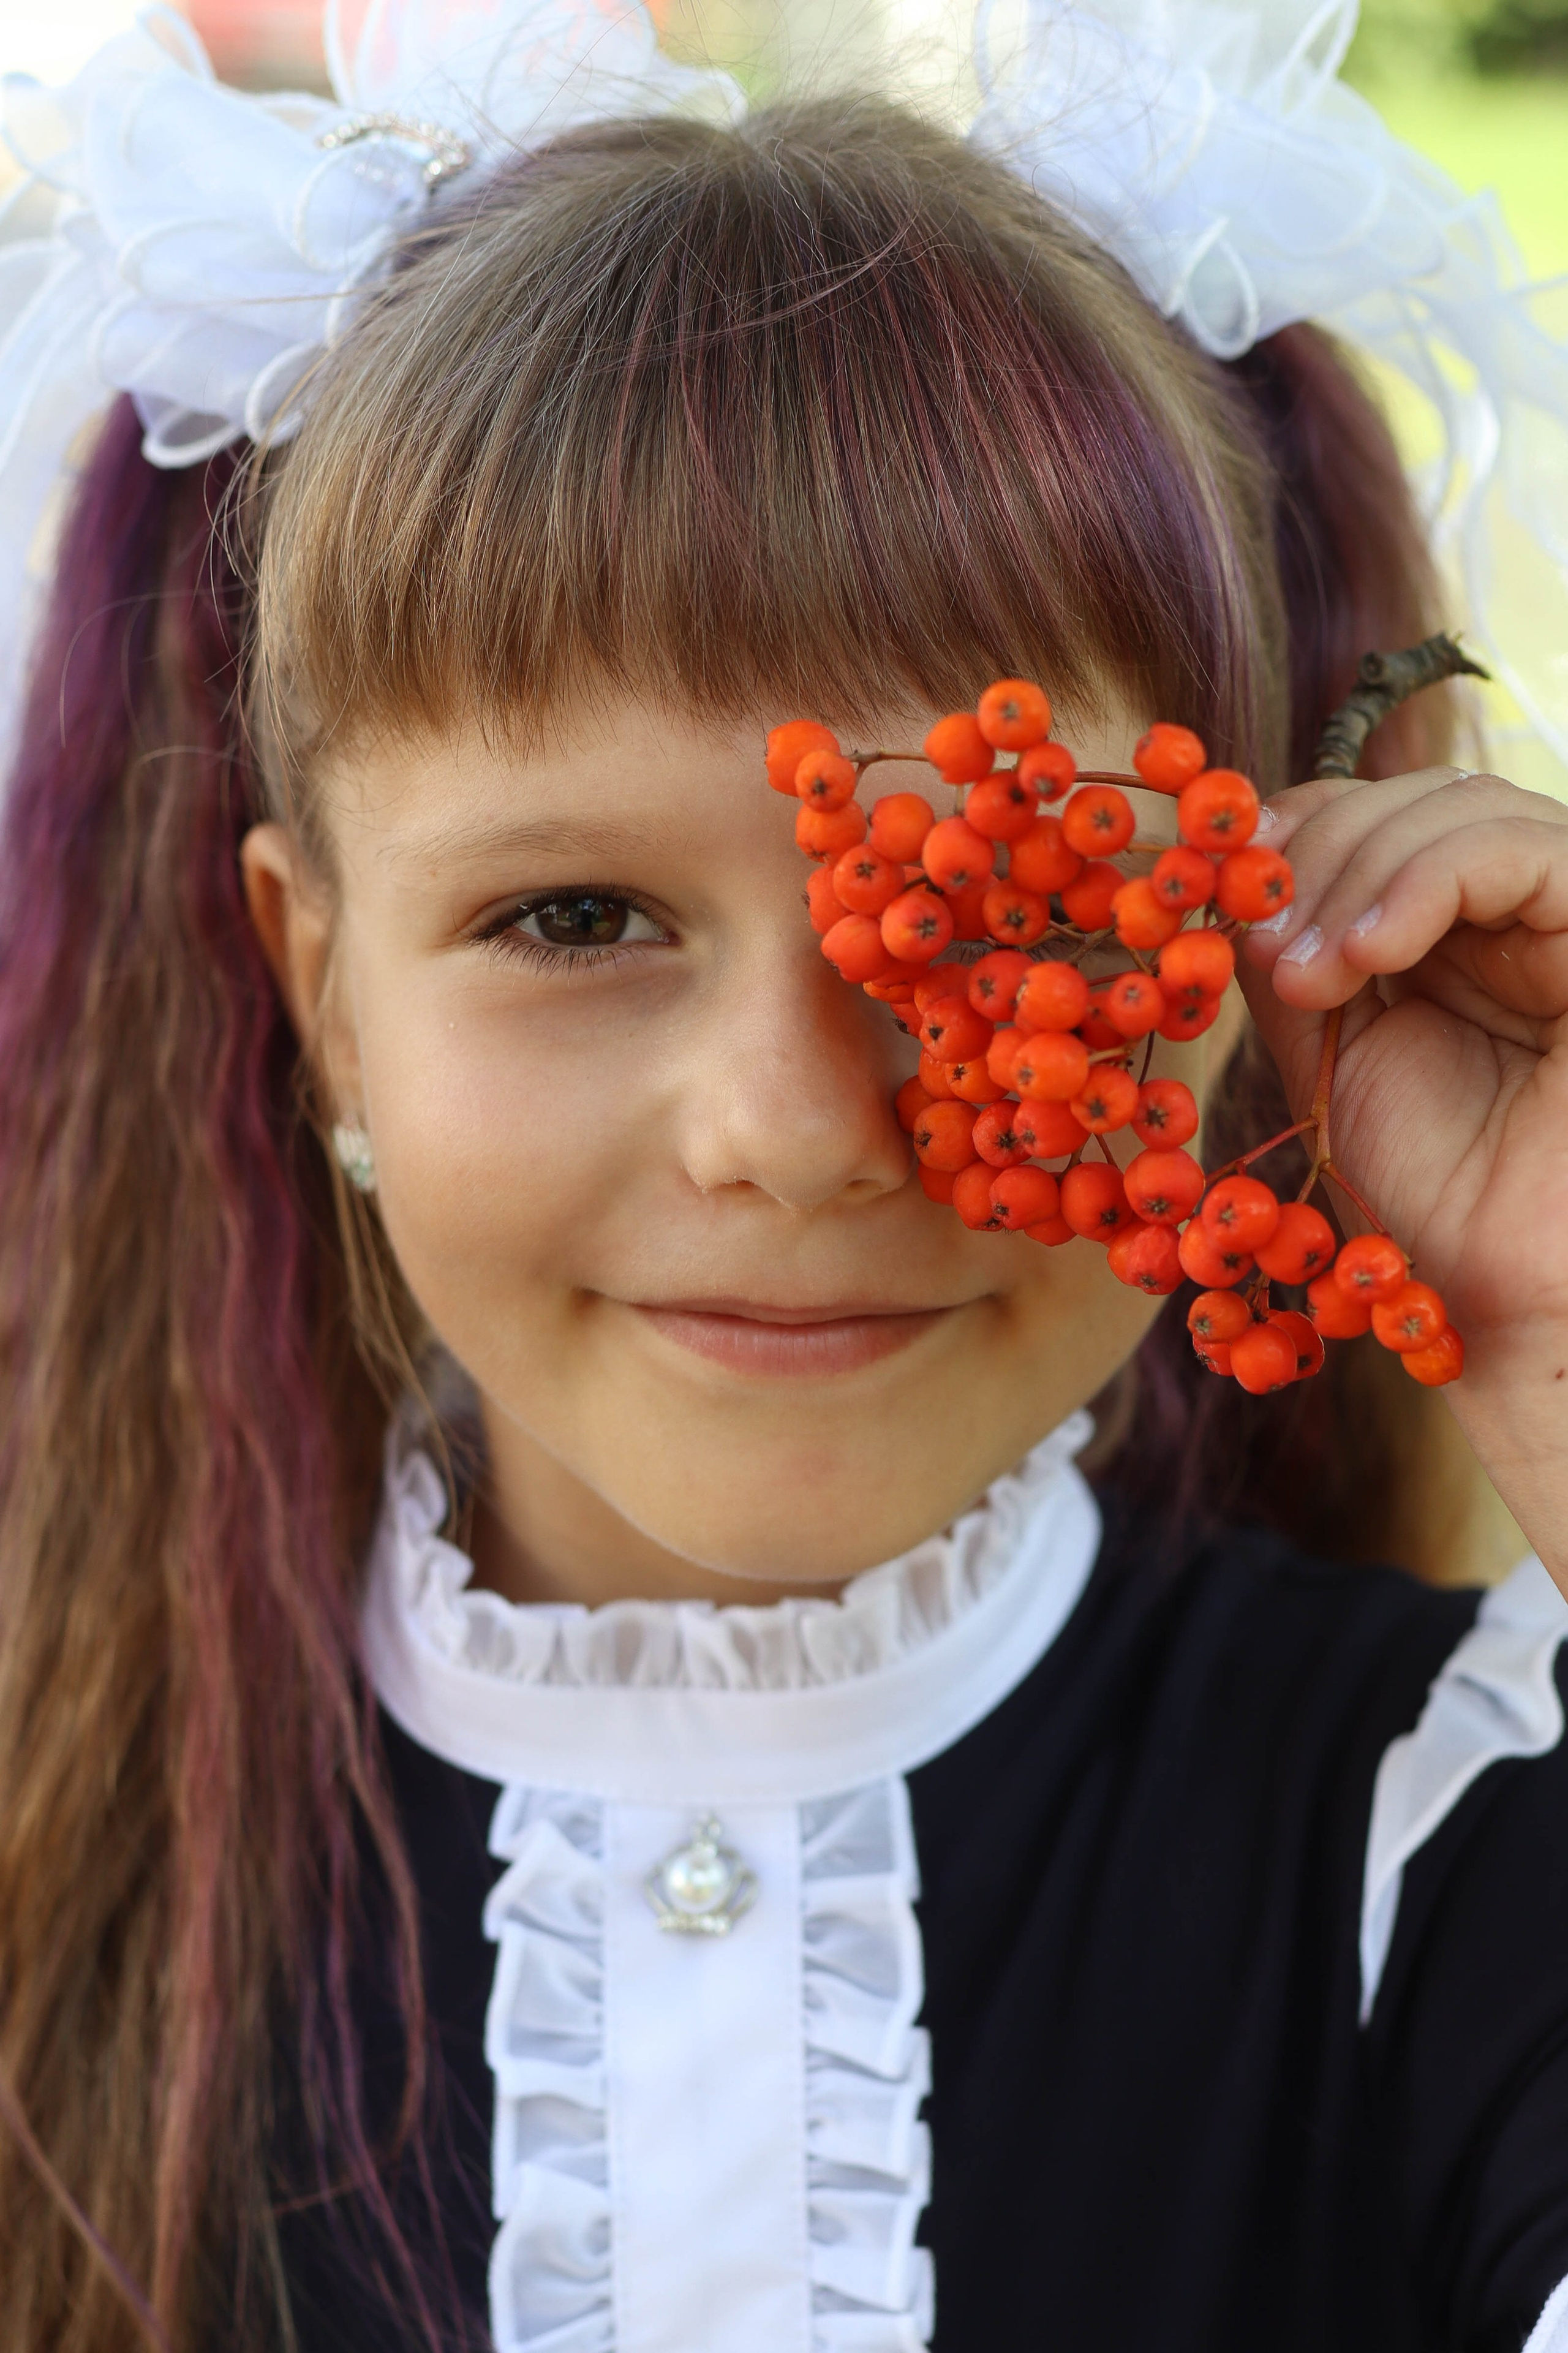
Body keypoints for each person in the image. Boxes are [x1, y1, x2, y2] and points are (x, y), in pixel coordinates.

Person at [2, 3, 1568, 2349]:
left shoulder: (1446, 1839)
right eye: (574, 920)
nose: (797, 1126)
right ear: (316, 985)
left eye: (1010, 915)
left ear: (1252, 953)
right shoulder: (63, 1880)